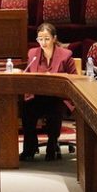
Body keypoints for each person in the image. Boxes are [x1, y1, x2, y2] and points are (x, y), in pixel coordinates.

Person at [21, 22, 77, 162]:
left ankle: (52, 145)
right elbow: (28, 75)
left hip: (59, 98)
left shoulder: (65, 55)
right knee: (26, 109)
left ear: (54, 38)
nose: (43, 42)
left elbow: (74, 79)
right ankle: (30, 147)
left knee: (55, 109)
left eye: (46, 39)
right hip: (38, 97)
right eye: (40, 39)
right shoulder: (33, 54)